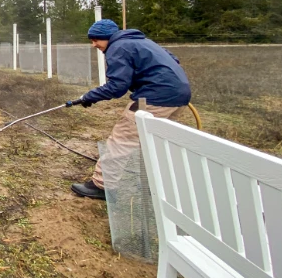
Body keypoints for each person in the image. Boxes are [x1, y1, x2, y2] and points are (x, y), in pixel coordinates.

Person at [68, 19, 191, 200]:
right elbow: (173, 59)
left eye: (96, 40)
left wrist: (89, 97)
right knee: (155, 140)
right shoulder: (141, 41)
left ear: (108, 37)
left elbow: (117, 87)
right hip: (179, 96)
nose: (94, 45)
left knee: (123, 138)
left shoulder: (118, 47)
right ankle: (158, 185)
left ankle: (103, 185)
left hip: (154, 97)